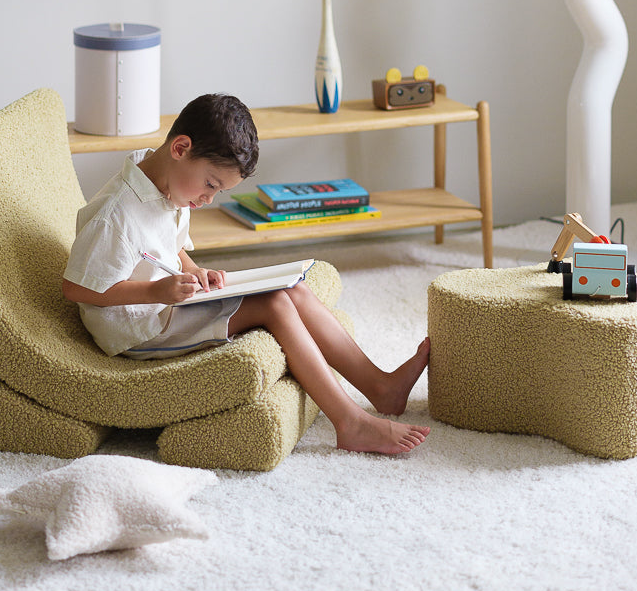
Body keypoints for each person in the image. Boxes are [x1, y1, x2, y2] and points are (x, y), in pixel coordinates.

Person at [62, 93, 431, 456]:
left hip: (166, 302)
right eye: (211, 184)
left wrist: (194, 271)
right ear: (180, 148)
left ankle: (381, 387)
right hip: (138, 329)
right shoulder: (117, 214)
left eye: (219, 190)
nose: (209, 199)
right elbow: (77, 287)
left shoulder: (168, 183)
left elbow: (168, 246)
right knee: (274, 305)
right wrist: (156, 291)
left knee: (294, 291)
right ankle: (350, 423)